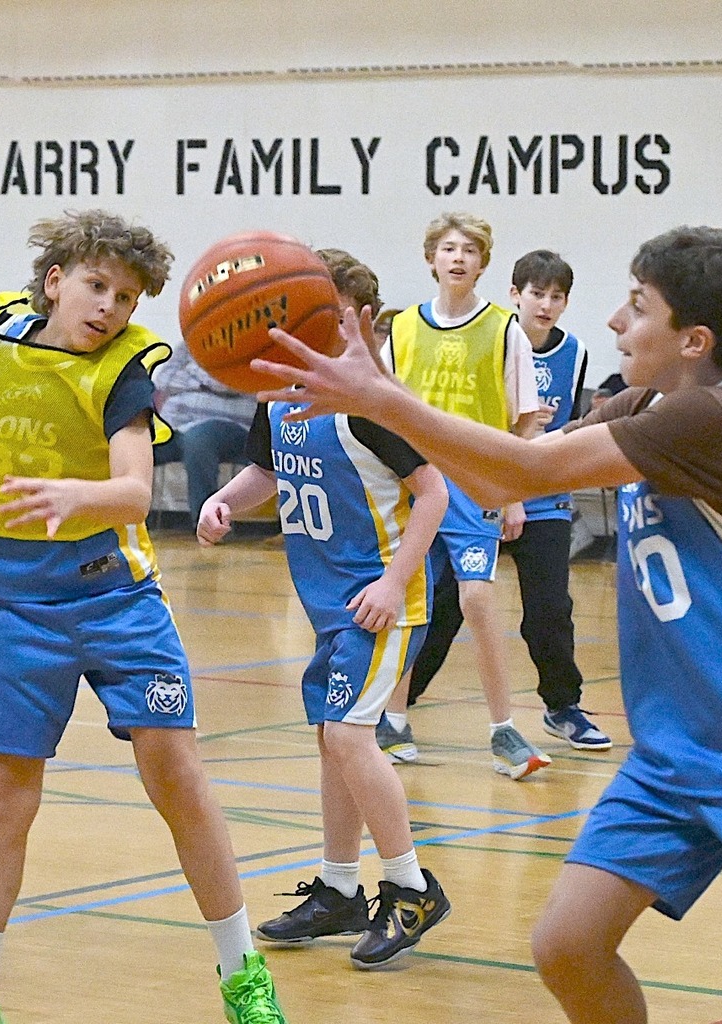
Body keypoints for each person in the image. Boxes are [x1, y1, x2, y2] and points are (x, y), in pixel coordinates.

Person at [252, 225, 722, 1024]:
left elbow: (527, 471)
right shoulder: (648, 404)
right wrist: (385, 405)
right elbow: (498, 468)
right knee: (566, 949)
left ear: (693, 340)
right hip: (674, 759)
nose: (612, 320)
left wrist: (380, 400)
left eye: (637, 306)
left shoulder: (713, 418)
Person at [0, 209, 285, 1024]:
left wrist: (80, 494)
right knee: (3, 798)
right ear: (54, 281)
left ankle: (241, 973)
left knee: (176, 775)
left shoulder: (123, 372)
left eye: (125, 296)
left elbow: (136, 492)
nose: (109, 306)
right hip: (18, 609)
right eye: (95, 285)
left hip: (116, 601)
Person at [196, 253, 451, 970]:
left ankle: (409, 887)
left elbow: (432, 493)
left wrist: (393, 582)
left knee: (347, 736)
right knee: (330, 741)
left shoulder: (370, 403)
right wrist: (224, 502)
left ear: (355, 321)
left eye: (326, 314)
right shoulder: (276, 392)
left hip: (381, 603)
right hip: (325, 603)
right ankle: (340, 889)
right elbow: (268, 473)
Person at [403, 250, 613, 751]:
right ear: (515, 295)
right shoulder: (492, 338)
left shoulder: (575, 352)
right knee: (445, 605)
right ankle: (395, 708)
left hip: (542, 495)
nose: (546, 304)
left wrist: (526, 477)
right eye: (536, 293)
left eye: (556, 296)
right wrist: (504, 489)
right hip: (481, 492)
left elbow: (565, 429)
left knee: (549, 609)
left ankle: (562, 707)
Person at [375, 212, 549, 781]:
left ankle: (504, 729)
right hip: (417, 483)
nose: (458, 257)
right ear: (432, 258)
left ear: (483, 263)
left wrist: (515, 490)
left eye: (470, 250)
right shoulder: (402, 330)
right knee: (408, 602)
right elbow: (384, 415)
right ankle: (392, 719)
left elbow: (525, 422)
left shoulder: (505, 329)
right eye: (448, 248)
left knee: (476, 599)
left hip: (476, 486)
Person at [152, 344, 258, 529]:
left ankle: (206, 525)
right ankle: (115, 523)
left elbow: (224, 383)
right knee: (132, 443)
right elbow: (163, 382)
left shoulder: (251, 344)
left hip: (228, 425)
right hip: (175, 425)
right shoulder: (191, 343)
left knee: (199, 440)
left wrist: (191, 378)